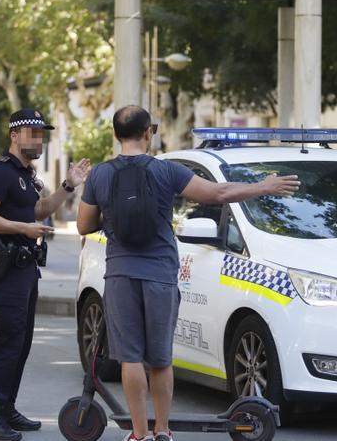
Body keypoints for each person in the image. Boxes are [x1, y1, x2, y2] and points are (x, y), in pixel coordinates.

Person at [77, 106, 300, 441]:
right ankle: (163, 430)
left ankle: (139, 434)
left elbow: (83, 225)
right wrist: (263, 187)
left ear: (115, 134)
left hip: (120, 273)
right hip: (161, 275)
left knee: (130, 358)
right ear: (148, 133)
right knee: (161, 358)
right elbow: (218, 194)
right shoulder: (167, 171)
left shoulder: (100, 175)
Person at [0, 109, 91, 441]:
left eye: (41, 133)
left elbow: (38, 210)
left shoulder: (26, 175)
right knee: (8, 342)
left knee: (21, 344)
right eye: (32, 133)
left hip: (25, 269)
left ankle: (7, 408)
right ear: (14, 135)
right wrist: (22, 228)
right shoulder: (0, 173)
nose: (38, 139)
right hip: (7, 268)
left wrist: (68, 185)